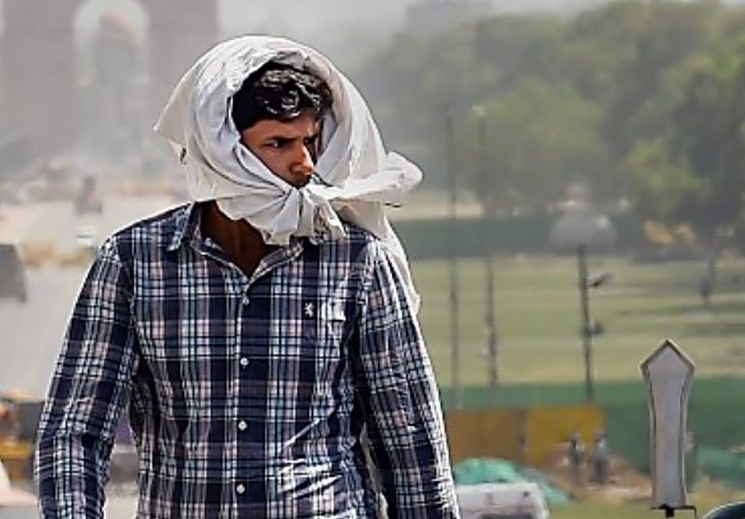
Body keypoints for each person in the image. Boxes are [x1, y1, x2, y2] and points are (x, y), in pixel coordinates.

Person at [35, 36, 459, 518]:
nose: (303, 164)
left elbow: (410, 440)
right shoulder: (136, 264)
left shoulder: (357, 263)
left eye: (310, 142)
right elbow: (75, 433)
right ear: (223, 152)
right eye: (277, 144)